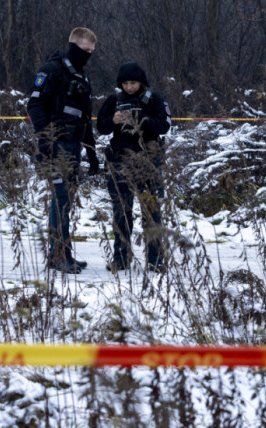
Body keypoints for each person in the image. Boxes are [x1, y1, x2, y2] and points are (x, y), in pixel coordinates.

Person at [27, 27, 99, 274]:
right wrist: (44, 139)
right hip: (56, 144)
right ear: (73, 46)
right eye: (85, 50)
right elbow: (35, 104)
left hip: (74, 144)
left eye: (91, 52)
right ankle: (56, 256)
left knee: (67, 200)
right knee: (60, 200)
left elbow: (85, 117)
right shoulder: (53, 69)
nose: (88, 55)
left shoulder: (82, 76)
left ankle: (64, 252)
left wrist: (91, 151)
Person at [96, 62, 172, 273]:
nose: (130, 87)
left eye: (133, 83)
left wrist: (141, 120)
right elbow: (100, 127)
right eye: (126, 83)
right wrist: (113, 120)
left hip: (148, 160)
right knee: (121, 211)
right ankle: (121, 258)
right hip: (120, 161)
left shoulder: (154, 99)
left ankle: (155, 259)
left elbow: (165, 125)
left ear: (141, 82)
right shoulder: (114, 100)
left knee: (151, 211)